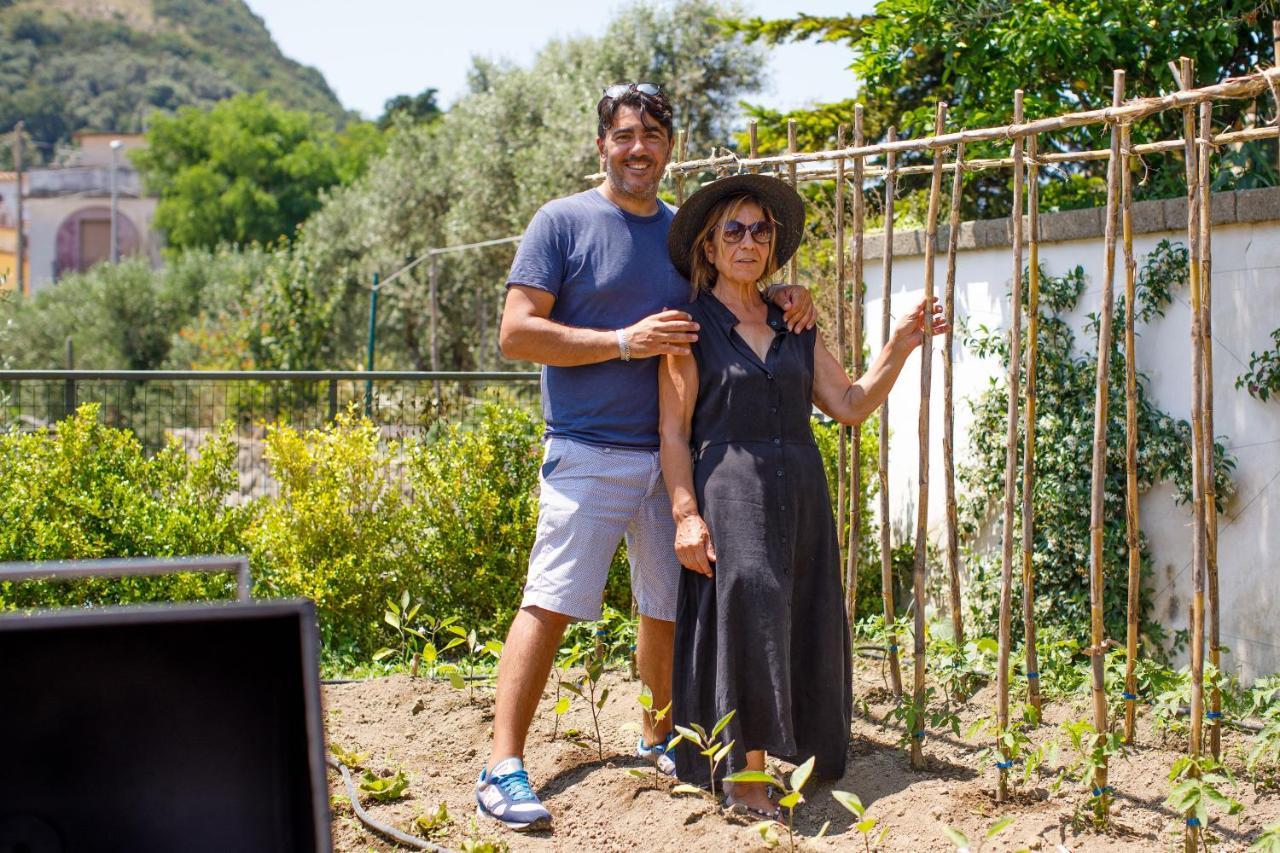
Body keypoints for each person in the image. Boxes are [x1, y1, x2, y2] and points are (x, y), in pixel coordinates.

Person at [477, 85, 816, 832]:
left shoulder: (683, 237)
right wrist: (622, 342)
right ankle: (501, 763)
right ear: (602, 145)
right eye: (625, 135)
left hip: (676, 460)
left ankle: (657, 737)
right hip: (588, 449)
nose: (639, 148)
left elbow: (731, 298)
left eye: (653, 135)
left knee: (667, 607)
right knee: (552, 598)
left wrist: (787, 293)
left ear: (670, 146)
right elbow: (516, 333)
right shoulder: (562, 222)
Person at [658, 173, 946, 817]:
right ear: (708, 246)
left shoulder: (797, 320)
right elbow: (673, 435)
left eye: (761, 230)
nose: (748, 240)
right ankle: (745, 771)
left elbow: (848, 404)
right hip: (728, 488)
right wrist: (684, 515)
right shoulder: (687, 329)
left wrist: (901, 343)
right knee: (749, 601)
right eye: (732, 229)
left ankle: (805, 751)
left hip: (802, 489)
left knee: (808, 608)